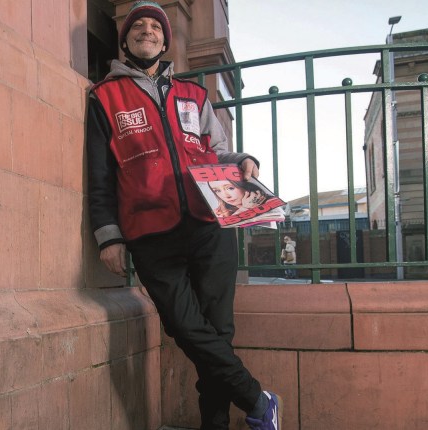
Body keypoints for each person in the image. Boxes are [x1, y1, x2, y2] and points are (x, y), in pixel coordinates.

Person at [85, 2, 281, 429]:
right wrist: (109, 236)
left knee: (217, 331)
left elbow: (217, 148)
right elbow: (99, 173)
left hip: (210, 226)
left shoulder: (194, 95)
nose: (148, 31)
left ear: (165, 40)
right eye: (139, 25)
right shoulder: (105, 97)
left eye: (156, 26)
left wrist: (243, 159)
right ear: (125, 38)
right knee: (186, 328)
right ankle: (257, 399)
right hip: (150, 231)